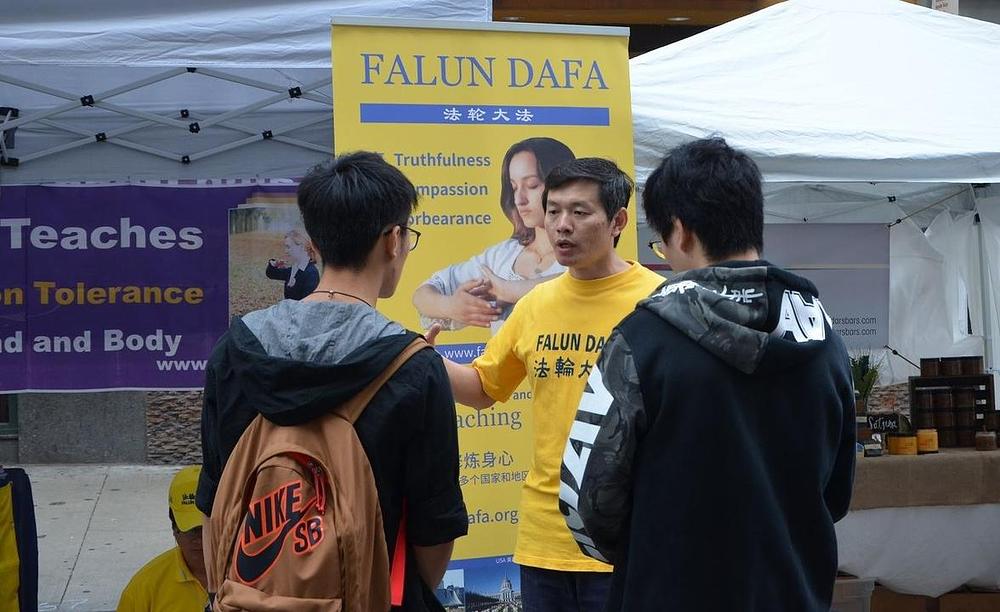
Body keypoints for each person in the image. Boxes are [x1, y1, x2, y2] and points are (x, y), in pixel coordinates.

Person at [561, 138, 855, 611]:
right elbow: (837, 491)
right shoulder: (824, 339)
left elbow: (587, 498)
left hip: (668, 590)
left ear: (681, 232)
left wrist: (651, 551)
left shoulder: (642, 339)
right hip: (793, 590)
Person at [198, 152, 467, 611]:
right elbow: (433, 530)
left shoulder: (236, 347)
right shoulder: (414, 367)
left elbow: (214, 500)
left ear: (315, 244)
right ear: (393, 240)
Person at [429, 158, 664, 611]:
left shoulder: (655, 302)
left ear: (617, 221)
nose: (561, 226)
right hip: (545, 539)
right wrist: (423, 360)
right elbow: (482, 388)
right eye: (553, 211)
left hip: (627, 540)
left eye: (579, 212)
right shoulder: (537, 303)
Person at [413, 137, 574, 332]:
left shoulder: (587, 255)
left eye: (532, 185)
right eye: (514, 187)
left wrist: (510, 290)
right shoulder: (502, 256)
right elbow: (424, 292)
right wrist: (451, 306)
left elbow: (586, 283)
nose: (519, 199)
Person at [117, 465, 209, 612]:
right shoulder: (144, 588)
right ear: (174, 528)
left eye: (209, 529)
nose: (201, 539)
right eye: (192, 531)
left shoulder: (251, 577)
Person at [265, 228, 320, 300]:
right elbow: (271, 274)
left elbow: (307, 305)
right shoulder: (295, 268)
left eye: (288, 247)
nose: (286, 251)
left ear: (302, 247)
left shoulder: (311, 274)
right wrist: (274, 264)